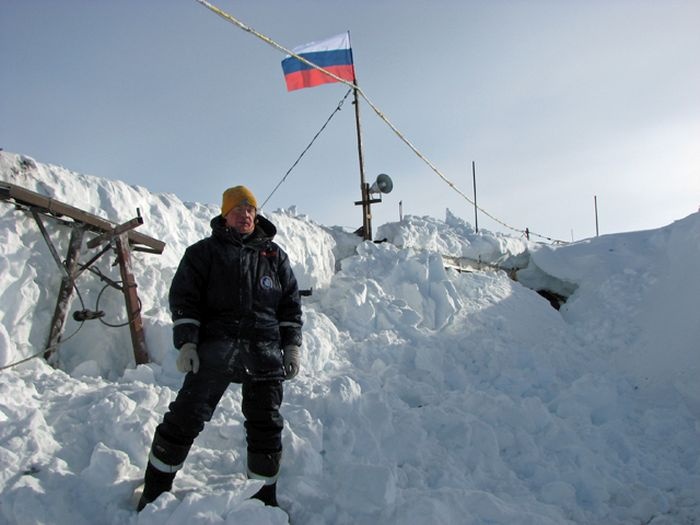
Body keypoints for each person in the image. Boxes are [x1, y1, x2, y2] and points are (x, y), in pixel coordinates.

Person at [137, 185, 303, 511]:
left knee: (266, 425)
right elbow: (185, 300)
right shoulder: (203, 253)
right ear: (225, 215)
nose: (246, 214)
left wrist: (292, 347)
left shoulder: (274, 256)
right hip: (217, 348)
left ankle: (263, 503)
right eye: (238, 209)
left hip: (264, 351)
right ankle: (154, 493)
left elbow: (290, 306)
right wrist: (187, 343)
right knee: (184, 418)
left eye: (251, 209)